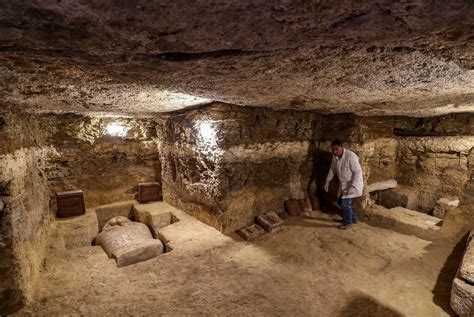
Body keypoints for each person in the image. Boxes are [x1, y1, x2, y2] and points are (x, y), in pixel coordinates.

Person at [324, 139, 363, 230]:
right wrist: (327, 181)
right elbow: (332, 169)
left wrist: (353, 186)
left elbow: (358, 172)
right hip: (344, 184)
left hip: (352, 184)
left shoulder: (350, 156)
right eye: (333, 149)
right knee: (340, 202)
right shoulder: (335, 157)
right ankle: (353, 218)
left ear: (342, 147)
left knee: (345, 204)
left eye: (336, 149)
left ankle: (348, 223)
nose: (334, 151)